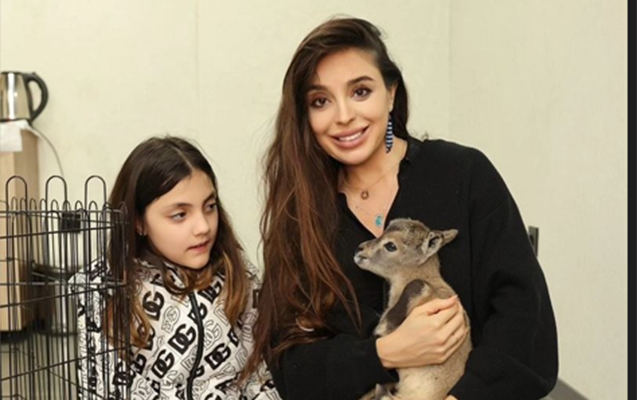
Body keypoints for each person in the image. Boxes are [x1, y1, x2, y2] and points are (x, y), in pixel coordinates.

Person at [246, 17, 558, 400]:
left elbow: (524, 321)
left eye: (360, 91)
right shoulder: (301, 215)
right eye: (320, 101)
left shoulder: (463, 174)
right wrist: (386, 353)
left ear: (391, 93)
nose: (343, 116)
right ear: (305, 116)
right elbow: (289, 365)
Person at [75, 136, 281, 400]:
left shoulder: (237, 272)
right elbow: (106, 387)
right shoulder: (105, 288)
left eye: (209, 207)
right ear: (138, 222)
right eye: (180, 215)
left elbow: (258, 374)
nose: (203, 227)